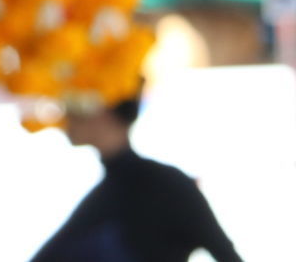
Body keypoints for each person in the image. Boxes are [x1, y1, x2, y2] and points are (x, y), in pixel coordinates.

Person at [30, 94, 243, 262]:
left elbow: (225, 253)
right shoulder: (121, 188)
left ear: (105, 112)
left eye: (78, 105)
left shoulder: (166, 186)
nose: (67, 116)